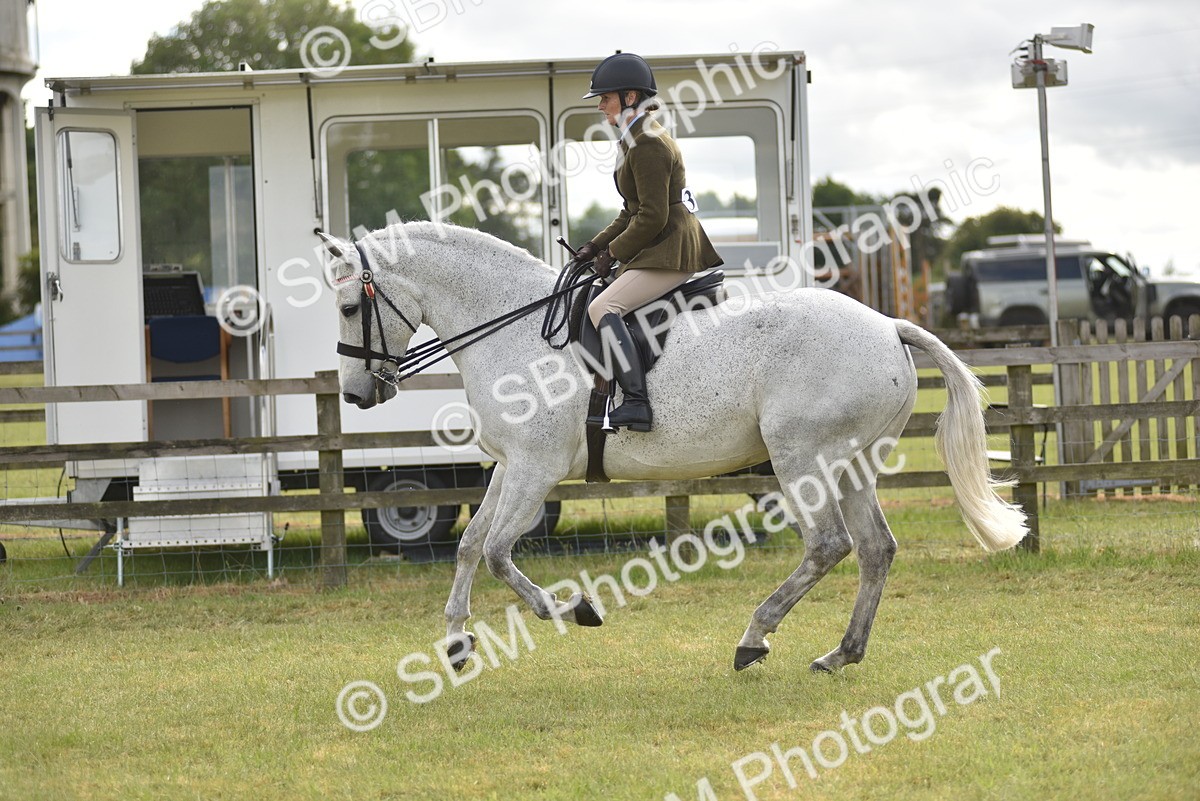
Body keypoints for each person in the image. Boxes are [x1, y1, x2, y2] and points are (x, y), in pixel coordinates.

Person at [574, 53, 723, 432]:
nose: (600, 105)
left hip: (671, 248)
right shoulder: (635, 139)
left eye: (605, 98)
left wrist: (615, 253)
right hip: (659, 244)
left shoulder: (648, 144)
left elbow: (653, 216)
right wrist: (594, 247)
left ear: (629, 97)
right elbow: (630, 212)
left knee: (603, 307)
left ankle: (637, 404)